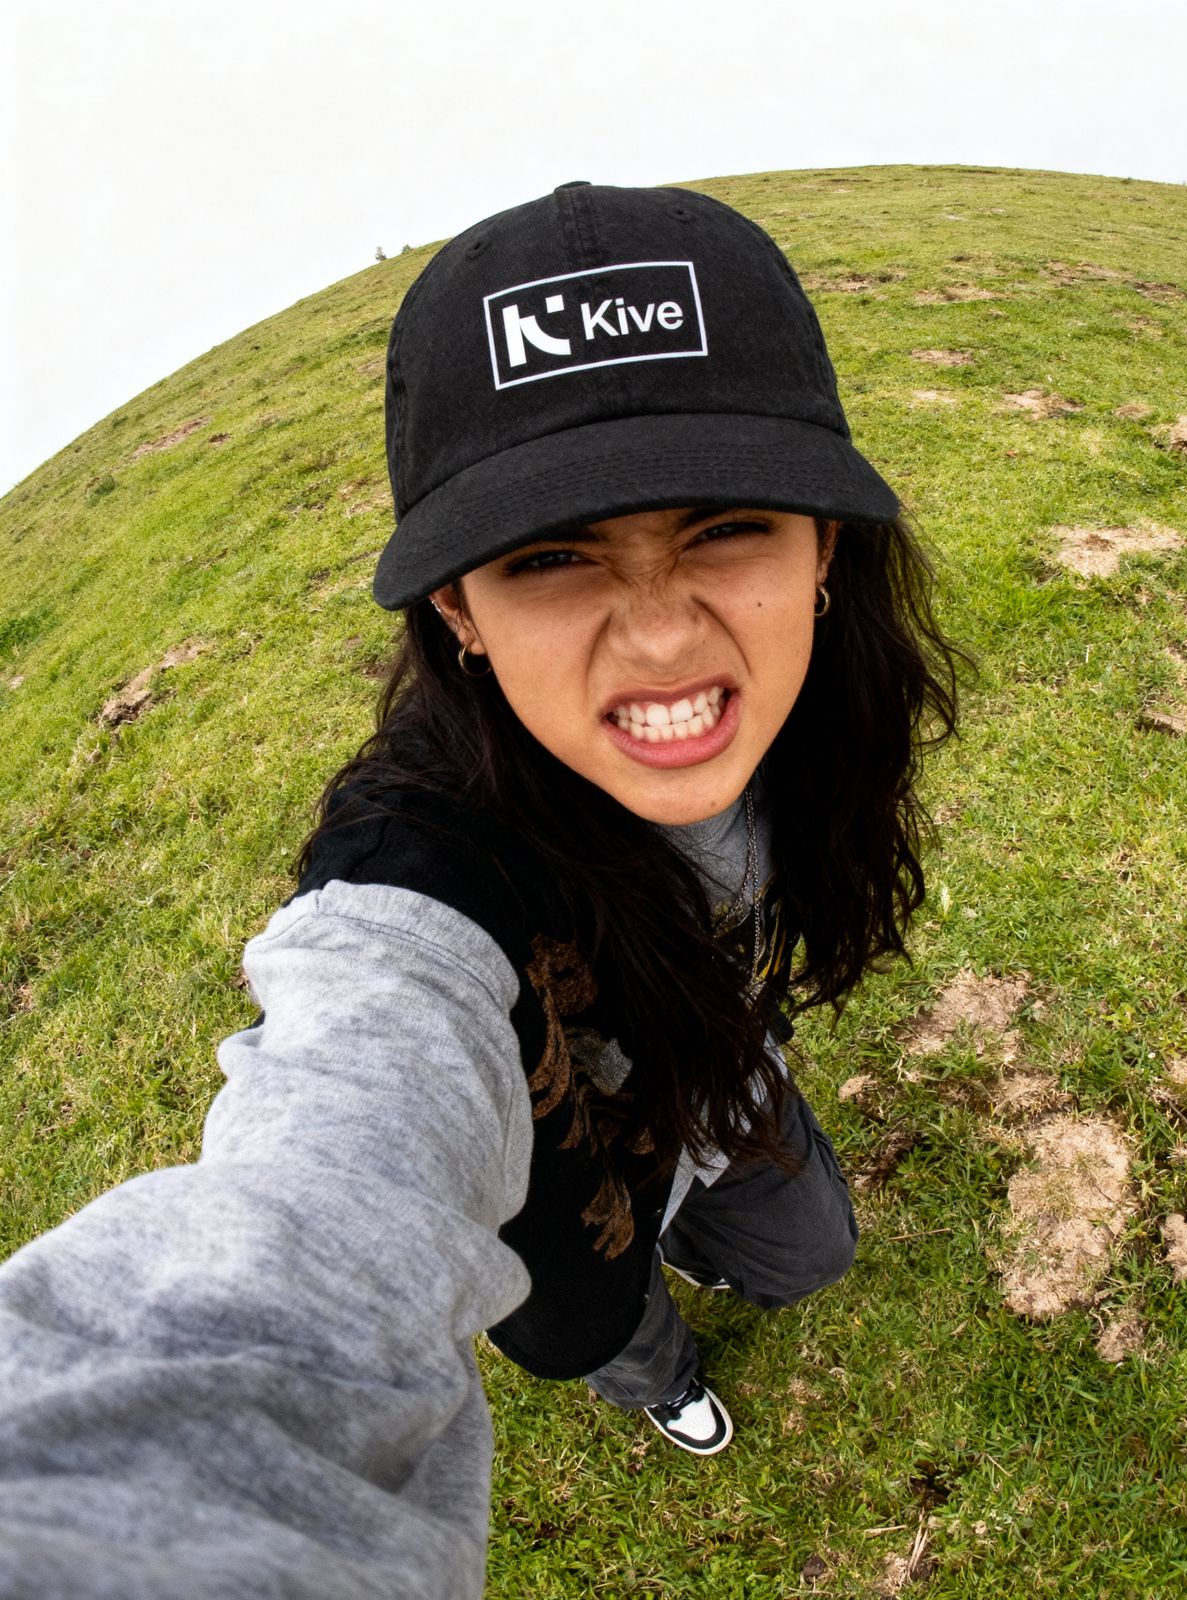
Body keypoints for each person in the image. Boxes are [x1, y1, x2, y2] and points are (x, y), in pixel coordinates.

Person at [0, 182, 960, 1597]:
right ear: (458, 609)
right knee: (622, 1337)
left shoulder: (828, 722)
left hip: (726, 1086)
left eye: (726, 524)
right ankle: (661, 1378)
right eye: (553, 556)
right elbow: (323, 1183)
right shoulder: (417, 872)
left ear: (822, 546)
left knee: (809, 1256)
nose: (656, 632)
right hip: (578, 1222)